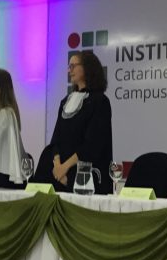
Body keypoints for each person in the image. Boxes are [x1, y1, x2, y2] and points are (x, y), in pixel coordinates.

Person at [33, 50, 113, 193]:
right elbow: (56, 139)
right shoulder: (66, 101)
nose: (69, 70)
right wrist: (58, 167)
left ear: (87, 68)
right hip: (59, 172)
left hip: (84, 172)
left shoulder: (100, 102)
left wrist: (65, 168)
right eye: (69, 66)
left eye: (73, 66)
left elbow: (93, 145)